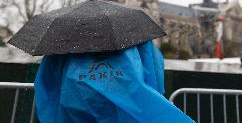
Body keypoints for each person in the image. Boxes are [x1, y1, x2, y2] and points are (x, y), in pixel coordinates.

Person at [35, 40, 196, 123]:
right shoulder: (135, 35)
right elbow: (155, 77)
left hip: (74, 111)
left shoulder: (63, 41)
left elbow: (47, 89)